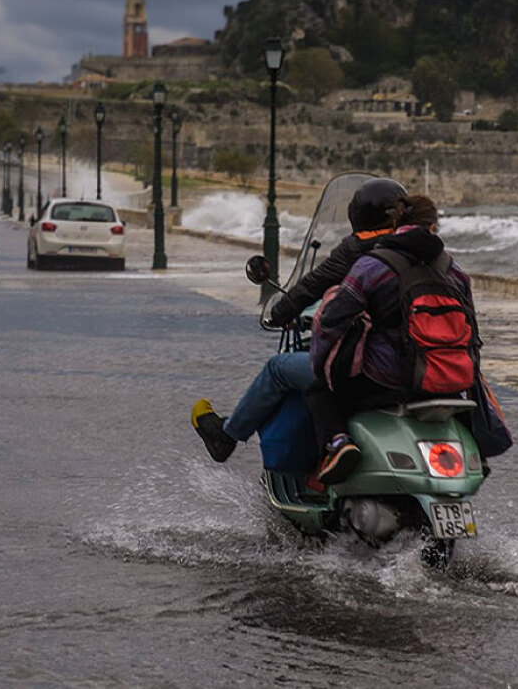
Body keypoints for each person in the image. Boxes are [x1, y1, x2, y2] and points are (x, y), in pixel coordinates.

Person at [189, 177, 408, 463]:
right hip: (423, 370)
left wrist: (280, 313)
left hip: (371, 370)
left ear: (358, 216)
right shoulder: (424, 253)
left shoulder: (357, 252)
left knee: (278, 369)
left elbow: (310, 287)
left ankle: (226, 437)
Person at [307, 194, 477, 484]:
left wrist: (320, 362)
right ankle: (477, 455)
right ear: (433, 227)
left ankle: (338, 444)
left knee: (319, 391)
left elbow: (333, 320)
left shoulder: (373, 266)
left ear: (396, 224)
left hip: (387, 380)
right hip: (446, 380)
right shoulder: (454, 272)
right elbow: (472, 334)